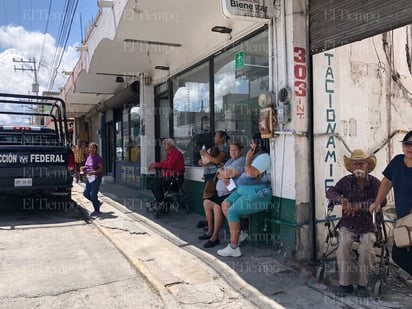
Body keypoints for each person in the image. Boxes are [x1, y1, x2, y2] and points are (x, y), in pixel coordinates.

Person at [326, 149, 386, 298]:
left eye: (361, 163)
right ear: (351, 167)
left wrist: (361, 206)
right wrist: (341, 200)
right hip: (348, 224)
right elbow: (330, 192)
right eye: (355, 164)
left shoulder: (374, 183)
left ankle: (362, 285)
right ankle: (344, 284)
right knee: (343, 246)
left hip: (368, 225)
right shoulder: (345, 181)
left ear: (367, 166)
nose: (358, 167)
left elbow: (382, 200)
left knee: (366, 248)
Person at [217, 133, 271, 257]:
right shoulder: (256, 157)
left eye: (252, 143)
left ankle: (234, 247)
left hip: (256, 192)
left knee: (232, 212)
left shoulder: (264, 157)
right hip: (243, 189)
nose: (250, 145)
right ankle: (239, 234)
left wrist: (248, 159)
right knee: (225, 205)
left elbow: (251, 173)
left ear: (258, 144)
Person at [369, 130, 412, 276]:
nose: (410, 148)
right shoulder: (397, 162)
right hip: (403, 219)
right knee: (399, 255)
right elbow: (387, 182)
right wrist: (377, 202)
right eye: (407, 144)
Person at [199, 140, 245, 248]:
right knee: (206, 202)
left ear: (241, 151)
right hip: (221, 193)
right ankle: (210, 231)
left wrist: (223, 173)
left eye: (235, 150)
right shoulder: (230, 161)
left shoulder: (241, 160)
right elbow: (219, 172)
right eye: (231, 150)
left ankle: (214, 237)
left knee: (216, 207)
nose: (232, 152)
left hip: (231, 193)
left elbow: (227, 172)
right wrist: (223, 174)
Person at [148, 139, 185, 204]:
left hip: (176, 179)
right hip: (169, 177)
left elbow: (170, 165)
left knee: (157, 186)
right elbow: (164, 164)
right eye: (163, 144)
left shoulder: (176, 153)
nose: (163, 145)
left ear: (171, 145)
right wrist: (156, 165)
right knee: (152, 185)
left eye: (165, 144)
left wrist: (156, 165)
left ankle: (163, 204)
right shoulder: (169, 154)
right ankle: (161, 202)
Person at [81, 142, 104, 217]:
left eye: (93, 148)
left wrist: (94, 172)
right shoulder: (89, 157)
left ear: (96, 149)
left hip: (96, 178)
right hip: (89, 178)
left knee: (93, 194)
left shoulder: (98, 158)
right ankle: (97, 202)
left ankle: (97, 210)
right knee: (86, 193)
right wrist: (83, 168)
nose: (92, 149)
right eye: (90, 148)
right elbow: (87, 166)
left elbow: (101, 169)